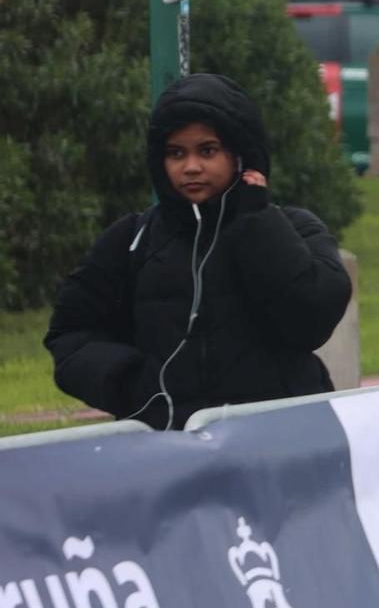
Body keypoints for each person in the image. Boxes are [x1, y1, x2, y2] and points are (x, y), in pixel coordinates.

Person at [45, 73, 352, 429]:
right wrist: (129, 382)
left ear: (239, 156)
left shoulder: (293, 227)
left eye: (208, 150)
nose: (191, 167)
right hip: (169, 453)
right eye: (176, 153)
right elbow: (70, 332)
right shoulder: (132, 239)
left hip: (278, 445)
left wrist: (255, 219)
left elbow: (313, 317)